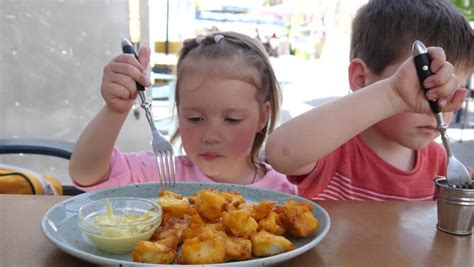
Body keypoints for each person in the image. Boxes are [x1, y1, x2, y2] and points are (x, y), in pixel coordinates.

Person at [265, 0, 474, 201]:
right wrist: (393, 95)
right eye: (425, 88)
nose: (438, 107)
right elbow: (281, 153)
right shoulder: (332, 148)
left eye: (451, 93)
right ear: (361, 79)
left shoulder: (441, 162)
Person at [69, 32, 297, 194]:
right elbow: (86, 174)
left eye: (231, 119)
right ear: (179, 113)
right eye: (195, 118)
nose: (210, 136)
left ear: (263, 117)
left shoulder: (284, 191)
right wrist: (115, 110)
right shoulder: (162, 174)